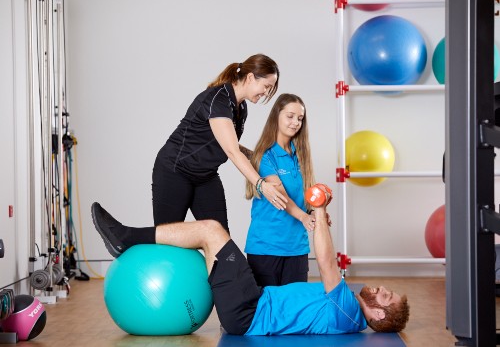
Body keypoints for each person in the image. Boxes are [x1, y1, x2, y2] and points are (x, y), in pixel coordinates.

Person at [91, 185, 409, 335]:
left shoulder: (348, 312)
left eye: (386, 296)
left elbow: (326, 262)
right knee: (212, 237)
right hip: (253, 301)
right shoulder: (347, 311)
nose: (382, 288)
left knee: (212, 232)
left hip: (249, 311)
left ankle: (125, 237)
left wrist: (321, 208)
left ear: (379, 314)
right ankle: (129, 236)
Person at [151, 53, 287, 239]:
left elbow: (226, 142)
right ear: (249, 78)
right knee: (167, 237)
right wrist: (262, 185)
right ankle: (125, 236)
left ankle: (222, 268)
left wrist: (255, 154)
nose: (266, 93)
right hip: (175, 170)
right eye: (266, 87)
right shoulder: (218, 98)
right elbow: (231, 151)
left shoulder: (240, 107)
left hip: (205, 175)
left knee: (221, 239)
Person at [244, 93, 316, 287]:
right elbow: (280, 196)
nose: (295, 122)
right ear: (277, 115)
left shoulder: (301, 155)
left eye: (300, 118)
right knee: (269, 311)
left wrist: (314, 212)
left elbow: (303, 197)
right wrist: (303, 217)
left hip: (297, 248)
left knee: (295, 310)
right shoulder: (265, 155)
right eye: (290, 116)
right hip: (266, 248)